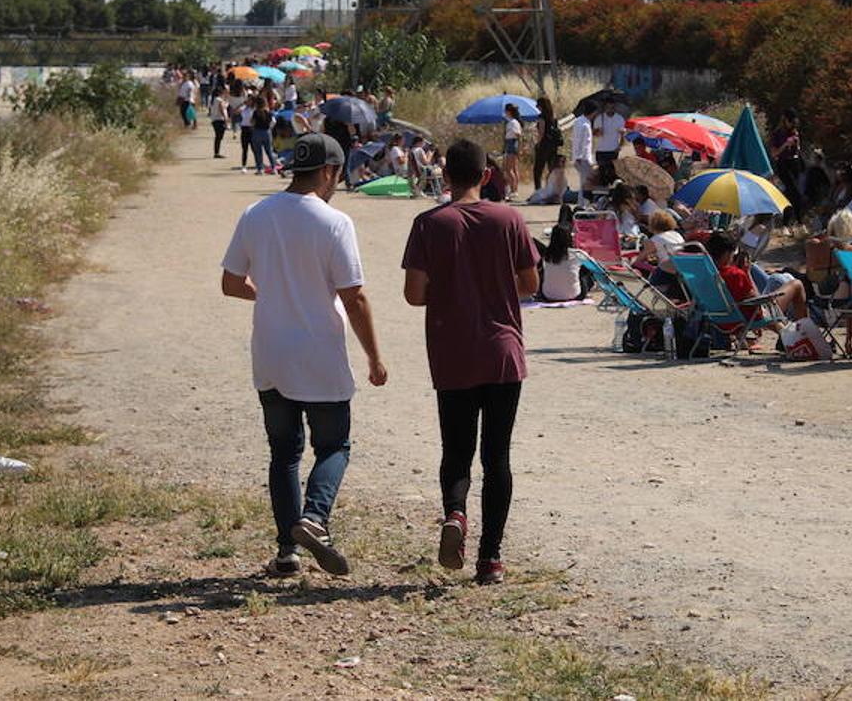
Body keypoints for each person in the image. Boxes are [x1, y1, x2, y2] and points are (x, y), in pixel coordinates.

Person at [221, 133, 387, 577]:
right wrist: (374, 357)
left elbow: (231, 283)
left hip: (271, 352)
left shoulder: (255, 214)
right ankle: (314, 518)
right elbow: (354, 298)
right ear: (331, 172)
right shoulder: (334, 223)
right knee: (334, 445)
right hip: (318, 354)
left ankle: (286, 553)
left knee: (284, 454)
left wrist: (272, 293)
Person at [401, 139, 541, 586]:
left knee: (456, 451)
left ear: (444, 175)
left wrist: (452, 289)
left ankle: (456, 514)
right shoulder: (509, 218)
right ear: (486, 176)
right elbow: (530, 284)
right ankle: (491, 560)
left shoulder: (429, 224)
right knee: (497, 456)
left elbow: (414, 294)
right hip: (503, 353)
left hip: (453, 352)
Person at [533, 223, 587, 302]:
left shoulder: (546, 255)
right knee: (584, 271)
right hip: (575, 295)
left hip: (548, 295)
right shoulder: (577, 254)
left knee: (545, 271)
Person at [635, 210, 684, 290]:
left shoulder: (655, 239)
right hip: (680, 269)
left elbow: (638, 261)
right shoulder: (677, 234)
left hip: (666, 272)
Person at [592, 98, 626, 186]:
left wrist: (620, 146)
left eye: (612, 107)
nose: (610, 109)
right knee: (602, 174)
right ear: (605, 107)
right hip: (601, 150)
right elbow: (594, 134)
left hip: (613, 150)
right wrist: (598, 132)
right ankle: (603, 193)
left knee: (612, 174)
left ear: (615, 108)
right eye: (608, 107)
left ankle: (613, 193)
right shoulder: (599, 118)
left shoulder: (619, 119)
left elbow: (623, 135)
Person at [532, 96, 561, 192]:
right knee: (551, 168)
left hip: (544, 145)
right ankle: (552, 189)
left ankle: (538, 191)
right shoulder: (553, 117)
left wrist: (538, 143)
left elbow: (541, 131)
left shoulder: (541, 117)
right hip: (553, 145)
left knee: (537, 170)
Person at [570, 106, 596, 206]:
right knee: (585, 183)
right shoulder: (585, 125)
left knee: (583, 182)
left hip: (578, 156)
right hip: (584, 158)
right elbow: (584, 143)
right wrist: (582, 157)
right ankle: (583, 204)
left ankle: (582, 203)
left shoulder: (578, 121)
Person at [250, 99, 278, 176]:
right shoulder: (269, 112)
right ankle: (273, 168)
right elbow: (274, 122)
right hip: (266, 132)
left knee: (258, 152)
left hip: (257, 132)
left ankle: (260, 169)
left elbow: (252, 122)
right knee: (269, 151)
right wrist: (269, 128)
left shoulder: (256, 112)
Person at [502, 103, 523, 198]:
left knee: (509, 169)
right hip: (511, 143)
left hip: (512, 143)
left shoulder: (513, 123)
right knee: (514, 168)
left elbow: (518, 135)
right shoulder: (512, 122)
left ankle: (513, 189)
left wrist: (519, 148)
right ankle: (515, 189)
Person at [238, 90, 256, 172]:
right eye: (247, 100)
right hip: (244, 129)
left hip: (252, 129)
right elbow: (235, 111)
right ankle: (244, 165)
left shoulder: (254, 110)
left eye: (250, 101)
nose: (248, 102)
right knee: (244, 149)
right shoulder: (244, 109)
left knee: (254, 148)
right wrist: (242, 104)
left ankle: (258, 164)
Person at [208, 87, 228, 159]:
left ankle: (216, 152)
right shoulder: (219, 100)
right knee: (219, 136)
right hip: (220, 119)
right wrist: (226, 119)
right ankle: (217, 153)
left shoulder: (212, 100)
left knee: (218, 136)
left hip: (214, 119)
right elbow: (222, 109)